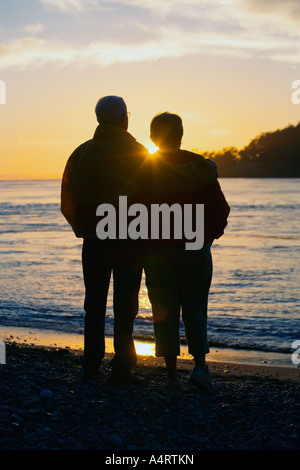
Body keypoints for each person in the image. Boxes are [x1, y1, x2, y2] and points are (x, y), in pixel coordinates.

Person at [61, 95, 149, 385]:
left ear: (99, 119)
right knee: (125, 304)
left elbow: (67, 199)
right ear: (124, 118)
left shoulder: (81, 153)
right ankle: (123, 368)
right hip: (129, 239)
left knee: (94, 302)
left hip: (95, 238)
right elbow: (151, 198)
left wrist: (83, 228)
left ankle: (91, 364)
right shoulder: (138, 151)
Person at [141, 112, 230, 392]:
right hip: (194, 246)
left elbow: (134, 210)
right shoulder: (199, 167)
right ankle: (201, 368)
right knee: (196, 307)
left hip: (158, 249)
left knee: (164, 309)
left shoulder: (145, 169)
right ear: (181, 135)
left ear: (153, 137)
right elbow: (221, 209)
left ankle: (171, 376)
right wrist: (208, 237)